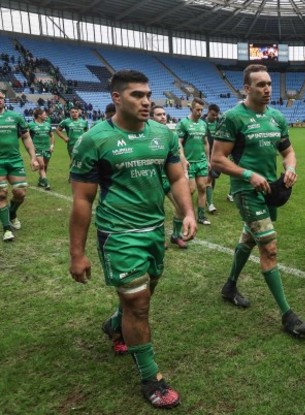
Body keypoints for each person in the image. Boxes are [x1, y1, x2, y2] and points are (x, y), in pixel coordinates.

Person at [69, 70, 196, 409]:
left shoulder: (162, 134)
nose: (146, 101)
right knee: (138, 304)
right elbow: (82, 201)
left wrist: (187, 212)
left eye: (148, 94)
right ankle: (150, 377)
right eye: (137, 95)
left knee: (142, 296)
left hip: (154, 231)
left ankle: (114, 324)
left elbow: (176, 177)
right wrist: (77, 253)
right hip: (119, 234)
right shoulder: (95, 140)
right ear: (116, 98)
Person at [212, 64, 305, 337]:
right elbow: (217, 159)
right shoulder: (233, 117)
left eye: (269, 83)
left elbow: (288, 152)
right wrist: (248, 175)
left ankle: (229, 286)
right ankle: (287, 315)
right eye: (260, 84)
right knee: (268, 248)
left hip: (272, 190)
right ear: (247, 88)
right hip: (246, 191)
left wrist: (290, 168)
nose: (267, 89)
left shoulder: (277, 117)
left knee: (248, 238)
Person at [0, 91, 39, 242]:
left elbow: (26, 137)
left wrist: (33, 158)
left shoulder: (15, 117)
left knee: (20, 193)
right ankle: (7, 229)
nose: (0, 100)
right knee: (2, 193)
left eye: (1, 98)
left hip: (15, 160)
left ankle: (12, 213)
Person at [151, 104, 190, 249]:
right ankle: (159, 238)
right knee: (155, 210)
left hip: (168, 179)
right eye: (158, 114)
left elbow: (179, 152)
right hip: (153, 179)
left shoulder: (171, 135)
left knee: (180, 207)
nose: (163, 117)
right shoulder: (145, 135)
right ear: (151, 117)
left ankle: (175, 235)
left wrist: (184, 162)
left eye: (164, 114)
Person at [176, 98, 211, 225]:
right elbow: (179, 143)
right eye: (197, 110)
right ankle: (188, 214)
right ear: (191, 109)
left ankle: (201, 216)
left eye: (201, 110)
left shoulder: (203, 124)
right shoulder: (183, 123)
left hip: (201, 161)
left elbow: (206, 143)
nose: (200, 112)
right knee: (191, 190)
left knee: (202, 188)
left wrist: (208, 160)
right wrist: (183, 159)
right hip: (189, 162)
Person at [203, 103, 224, 213]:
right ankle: (210, 203)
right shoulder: (202, 123)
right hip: (205, 154)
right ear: (208, 112)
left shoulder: (220, 122)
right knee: (209, 177)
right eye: (213, 115)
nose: (215, 117)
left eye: (216, 115)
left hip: (217, 154)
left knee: (213, 176)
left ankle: (207, 197)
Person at [28, 108, 54, 190]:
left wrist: (52, 145)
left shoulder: (47, 124)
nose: (46, 116)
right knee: (42, 165)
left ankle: (41, 181)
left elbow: (52, 135)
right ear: (39, 115)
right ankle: (46, 183)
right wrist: (31, 147)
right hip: (37, 149)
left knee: (45, 166)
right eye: (44, 114)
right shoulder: (30, 125)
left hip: (47, 148)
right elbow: (26, 137)